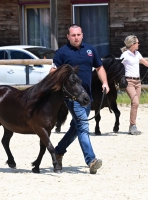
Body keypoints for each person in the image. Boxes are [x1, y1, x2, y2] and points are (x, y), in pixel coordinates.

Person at [50, 24, 110, 174]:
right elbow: (53, 72)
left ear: (82, 35)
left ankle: (58, 151)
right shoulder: (61, 53)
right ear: (68, 37)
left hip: (87, 97)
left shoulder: (90, 50)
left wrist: (105, 83)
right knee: (83, 126)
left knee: (76, 128)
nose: (76, 37)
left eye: (78, 35)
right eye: (73, 35)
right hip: (72, 97)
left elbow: (99, 67)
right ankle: (91, 160)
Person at [120, 35, 148, 135]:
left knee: (135, 104)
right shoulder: (125, 55)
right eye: (137, 43)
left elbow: (147, 64)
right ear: (132, 44)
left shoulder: (137, 53)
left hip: (138, 82)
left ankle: (132, 126)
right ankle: (132, 126)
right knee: (135, 102)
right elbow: (119, 67)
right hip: (129, 82)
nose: (138, 44)